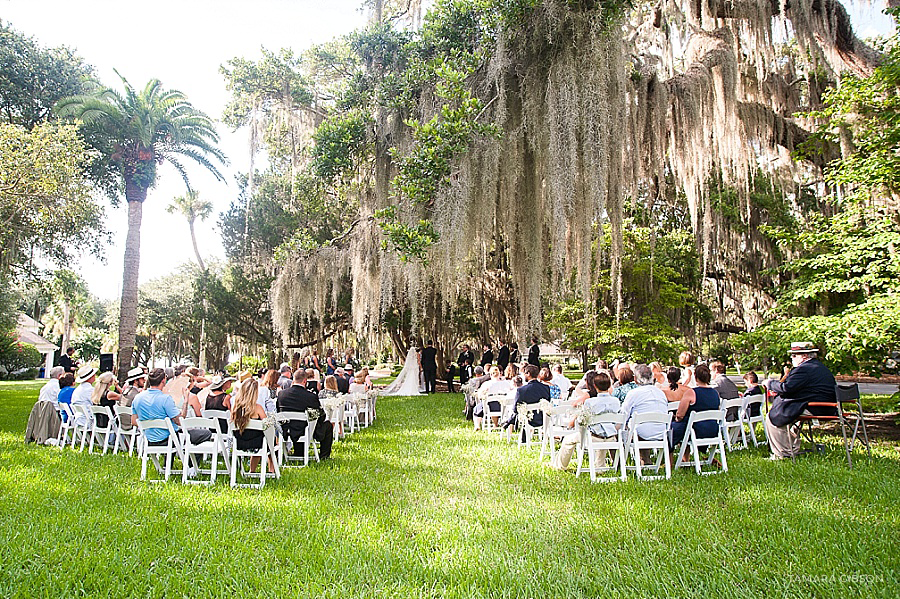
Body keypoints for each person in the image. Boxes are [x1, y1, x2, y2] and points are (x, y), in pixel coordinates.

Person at [763, 342, 837, 459]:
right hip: (827, 406)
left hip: (817, 407)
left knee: (772, 417)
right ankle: (790, 448)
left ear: (804, 356)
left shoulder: (805, 369)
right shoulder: (818, 367)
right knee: (788, 414)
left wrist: (770, 383)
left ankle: (782, 454)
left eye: (794, 355)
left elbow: (786, 388)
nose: (791, 358)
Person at [551, 371, 620, 470]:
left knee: (568, 440)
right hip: (611, 437)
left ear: (595, 386)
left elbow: (582, 420)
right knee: (601, 432)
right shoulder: (616, 401)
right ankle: (600, 466)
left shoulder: (590, 402)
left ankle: (560, 466)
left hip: (593, 437)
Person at [133, 368, 211, 448]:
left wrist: (151, 426)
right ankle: (190, 460)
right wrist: (186, 400)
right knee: (206, 434)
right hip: (170, 439)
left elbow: (133, 421)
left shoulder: (138, 398)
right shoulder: (166, 399)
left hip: (149, 439)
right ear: (163, 380)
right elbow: (180, 421)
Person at [277, 368, 333, 459]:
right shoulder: (310, 396)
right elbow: (321, 414)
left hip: (287, 430)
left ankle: (298, 452)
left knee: (298, 424)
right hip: (305, 429)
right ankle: (324, 456)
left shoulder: (282, 395)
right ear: (305, 381)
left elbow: (278, 411)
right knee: (328, 426)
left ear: (293, 379)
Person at [620, 364, 669, 462]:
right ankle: (646, 460)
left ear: (636, 379)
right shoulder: (661, 393)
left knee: (624, 429)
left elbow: (623, 415)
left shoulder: (633, 394)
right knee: (642, 426)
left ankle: (619, 463)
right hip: (661, 432)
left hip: (641, 433)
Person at [231, 379, 275, 473]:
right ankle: (271, 469)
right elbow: (266, 424)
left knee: (258, 437)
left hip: (239, 442)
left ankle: (253, 470)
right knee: (271, 439)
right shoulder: (258, 408)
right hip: (258, 443)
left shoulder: (236, 408)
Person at [670, 364, 720, 447]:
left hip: (695, 430)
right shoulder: (715, 393)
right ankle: (685, 458)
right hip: (713, 429)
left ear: (695, 376)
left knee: (672, 429)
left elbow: (679, 415)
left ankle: (670, 456)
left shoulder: (691, 392)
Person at [501, 364, 550, 435]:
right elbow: (547, 403)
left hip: (528, 419)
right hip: (543, 418)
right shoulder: (546, 388)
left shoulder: (521, 390)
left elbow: (515, 409)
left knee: (516, 413)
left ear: (528, 374)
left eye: (524, 373)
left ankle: (508, 422)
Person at [474, 366, 514, 430]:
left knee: (478, 408)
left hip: (490, 407)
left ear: (490, 374)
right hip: (505, 407)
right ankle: (496, 424)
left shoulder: (487, 384)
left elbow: (480, 395)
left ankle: (477, 425)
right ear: (500, 374)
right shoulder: (506, 383)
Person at [71, 365, 97, 430]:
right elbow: (96, 402)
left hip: (78, 418)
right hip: (88, 420)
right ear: (90, 377)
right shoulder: (90, 390)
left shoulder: (77, 389)